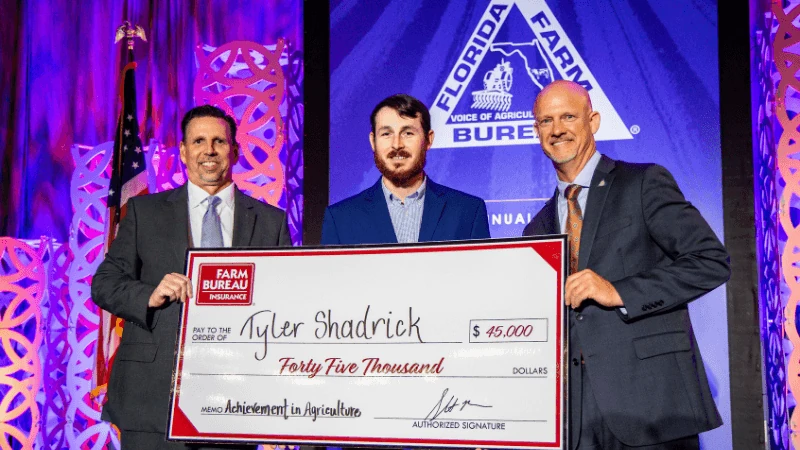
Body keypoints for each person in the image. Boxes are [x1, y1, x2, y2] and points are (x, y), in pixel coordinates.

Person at [523, 81, 729, 450]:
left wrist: (620, 292)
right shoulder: (535, 228)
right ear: (536, 131)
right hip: (573, 420)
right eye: (546, 121)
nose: (557, 129)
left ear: (594, 121)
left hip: (652, 405)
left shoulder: (643, 182)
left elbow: (711, 261)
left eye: (568, 116)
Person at [92, 105, 291, 449]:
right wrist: (150, 294)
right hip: (152, 399)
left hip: (236, 400)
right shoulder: (145, 212)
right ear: (184, 151)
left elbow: (285, 306)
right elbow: (104, 284)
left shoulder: (271, 221)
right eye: (198, 141)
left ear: (235, 150)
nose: (209, 150)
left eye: (219, 141)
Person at [321, 94, 490, 245]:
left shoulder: (468, 211)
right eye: (386, 134)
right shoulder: (340, 218)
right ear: (373, 141)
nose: (397, 144)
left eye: (408, 133)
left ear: (428, 139)